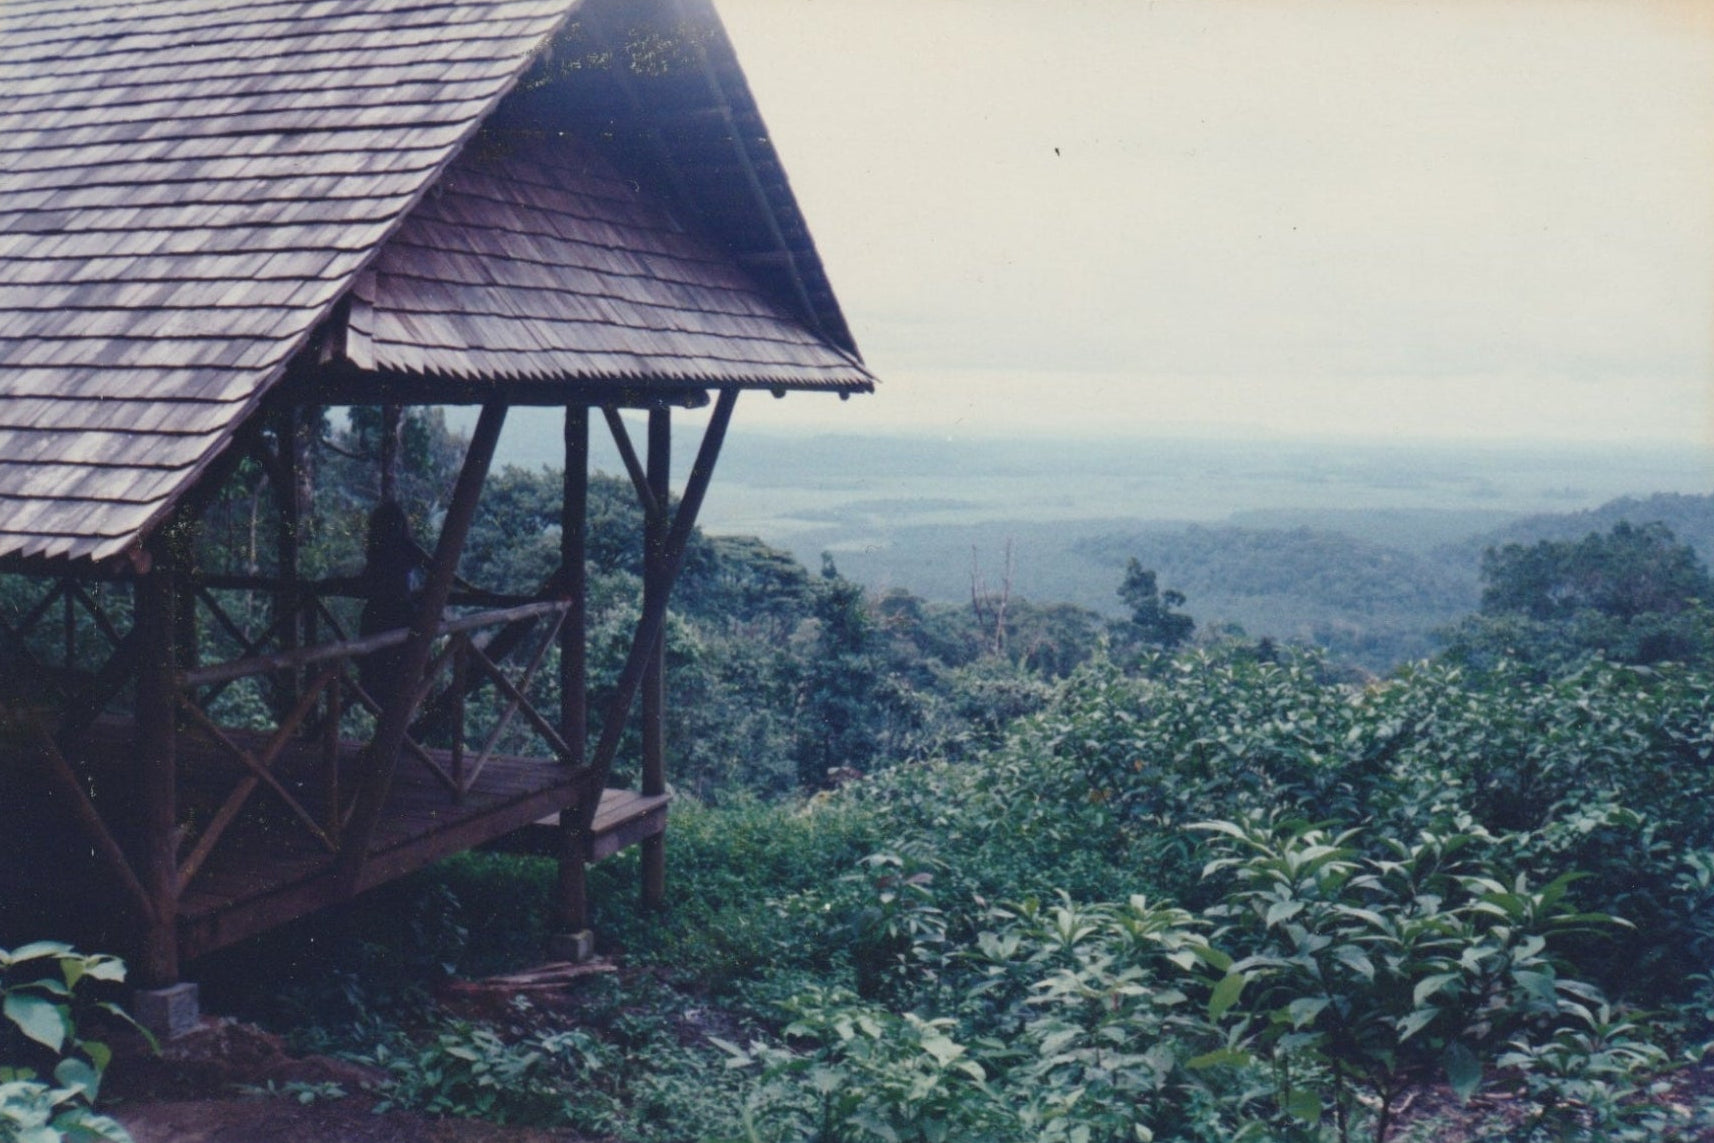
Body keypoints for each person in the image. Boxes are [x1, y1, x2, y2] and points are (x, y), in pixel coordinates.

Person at [358, 501, 428, 702]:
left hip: (378, 615)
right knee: (395, 674)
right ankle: (395, 725)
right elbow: (439, 569)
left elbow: (366, 580)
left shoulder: (377, 550)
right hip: (398, 615)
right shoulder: (406, 548)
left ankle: (386, 720)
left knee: (377, 671)